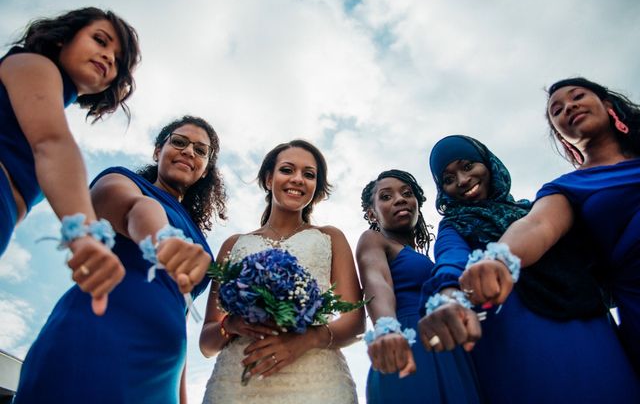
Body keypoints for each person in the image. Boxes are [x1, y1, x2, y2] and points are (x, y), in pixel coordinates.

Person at [14, 115, 225, 404]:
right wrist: (163, 240)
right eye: (179, 142)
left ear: (204, 170)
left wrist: (181, 397)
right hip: (96, 339)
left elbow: (182, 313)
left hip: (163, 369)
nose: (189, 151)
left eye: (201, 151)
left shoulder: (201, 241)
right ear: (157, 151)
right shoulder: (124, 180)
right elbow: (133, 208)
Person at [419, 134, 639, 403]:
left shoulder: (536, 209)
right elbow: (450, 259)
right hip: (516, 331)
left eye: (467, 166)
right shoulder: (455, 225)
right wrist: (448, 295)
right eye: (448, 179)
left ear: (488, 163)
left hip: (586, 317)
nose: (462, 181)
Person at [459, 79, 640, 374]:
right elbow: (538, 224)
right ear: (561, 136)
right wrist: (498, 259)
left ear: (608, 106)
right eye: (557, 111)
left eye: (578, 96)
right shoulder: (567, 187)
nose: (569, 107)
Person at [200, 139, 365, 403]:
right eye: (287, 170)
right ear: (268, 179)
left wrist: (305, 340)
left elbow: (355, 323)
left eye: (309, 174)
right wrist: (230, 324)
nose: (298, 179)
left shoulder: (330, 237)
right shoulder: (234, 244)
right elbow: (206, 344)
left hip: (317, 385)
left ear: (316, 188)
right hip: (238, 385)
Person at [0, 7, 140, 314]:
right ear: (64, 38)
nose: (107, 57)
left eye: (117, 60)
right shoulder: (32, 64)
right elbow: (51, 144)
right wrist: (85, 235)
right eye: (100, 41)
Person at [356, 169, 481, 404]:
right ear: (372, 214)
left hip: (449, 346)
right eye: (386, 196)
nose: (400, 199)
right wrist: (387, 328)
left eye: (407, 193)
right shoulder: (373, 240)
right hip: (405, 345)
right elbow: (376, 281)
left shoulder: (429, 257)